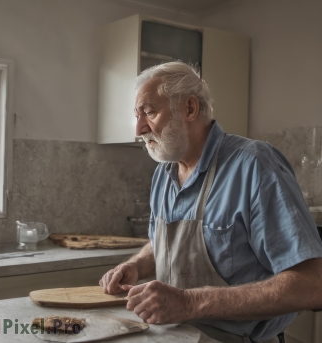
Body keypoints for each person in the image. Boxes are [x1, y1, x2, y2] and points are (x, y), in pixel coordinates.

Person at [99, 61, 322, 343]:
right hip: (173, 336)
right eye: (137, 115)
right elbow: (168, 243)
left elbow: (312, 284)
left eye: (150, 112)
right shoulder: (163, 173)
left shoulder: (254, 166)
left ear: (189, 109)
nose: (140, 128)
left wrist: (189, 303)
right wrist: (137, 265)